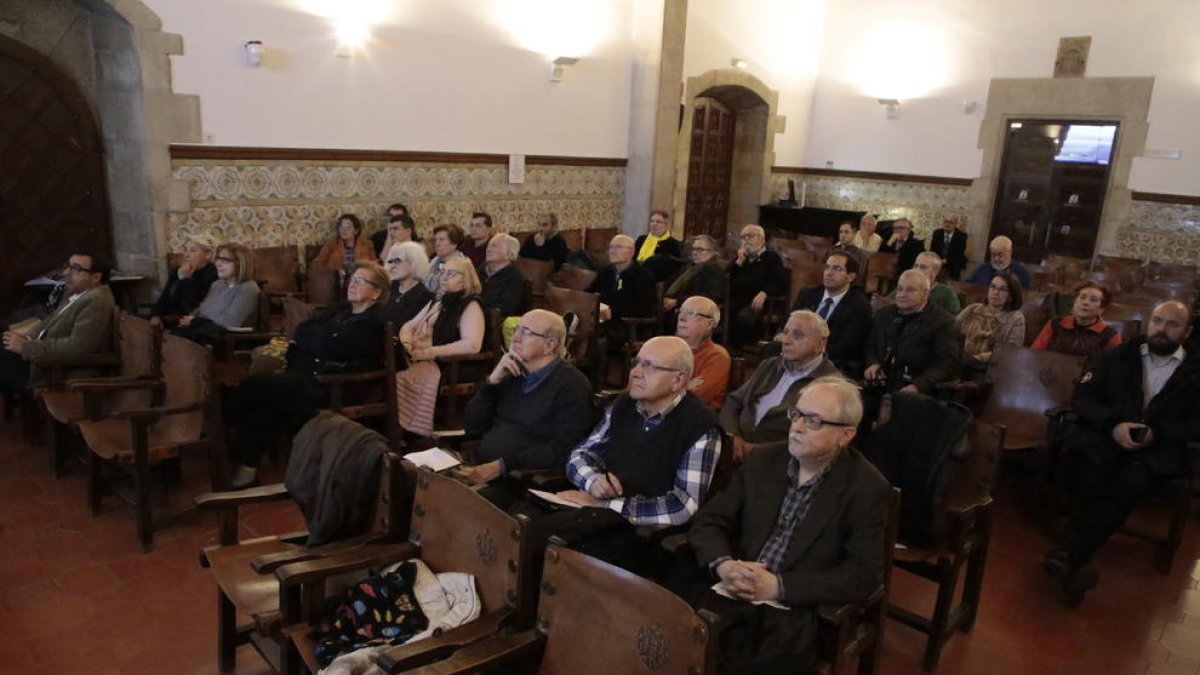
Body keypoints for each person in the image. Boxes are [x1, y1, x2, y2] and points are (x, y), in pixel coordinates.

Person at [687, 376, 892, 675]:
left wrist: (779, 586)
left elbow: (862, 576)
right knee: (674, 632)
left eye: (813, 421)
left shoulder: (866, 489)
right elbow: (710, 520)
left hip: (792, 607)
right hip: (734, 581)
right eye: (796, 414)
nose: (796, 427)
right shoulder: (764, 460)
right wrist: (724, 564)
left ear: (845, 434)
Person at [1043, 301, 1200, 604]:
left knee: (1129, 482)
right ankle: (1078, 561)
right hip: (1109, 438)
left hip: (1159, 451)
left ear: (1188, 331)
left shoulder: (1195, 371)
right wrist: (1113, 425)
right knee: (1089, 469)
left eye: (1172, 324)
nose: (1162, 329)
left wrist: (1160, 433)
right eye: (1157, 321)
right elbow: (1084, 398)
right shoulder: (1118, 356)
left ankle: (1069, 553)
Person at [225, 261, 390, 488]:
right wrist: (320, 342)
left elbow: (336, 348)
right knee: (267, 402)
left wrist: (317, 343)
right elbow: (303, 329)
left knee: (256, 385)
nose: (352, 285)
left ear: (377, 292)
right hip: (307, 377)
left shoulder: (374, 321)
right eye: (352, 280)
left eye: (361, 281)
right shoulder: (342, 308)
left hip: (333, 387)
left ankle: (226, 431)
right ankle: (247, 465)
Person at [556, 336, 722, 528]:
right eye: (637, 363)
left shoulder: (700, 425)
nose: (635, 372)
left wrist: (607, 505)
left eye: (649, 366)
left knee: (539, 540)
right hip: (596, 515)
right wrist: (592, 480)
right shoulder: (625, 404)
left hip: (643, 534)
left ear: (677, 380)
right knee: (528, 524)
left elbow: (683, 507)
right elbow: (581, 454)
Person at [461, 310, 593, 490]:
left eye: (526, 332)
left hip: (520, 482)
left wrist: (502, 466)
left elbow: (562, 450)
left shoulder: (572, 385)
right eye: (516, 329)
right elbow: (472, 426)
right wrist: (492, 382)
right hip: (479, 468)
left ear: (549, 345)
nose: (515, 338)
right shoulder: (511, 373)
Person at [721, 311, 841, 460]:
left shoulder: (830, 385)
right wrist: (732, 435)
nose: (786, 340)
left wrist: (757, 451)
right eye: (785, 333)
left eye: (797, 335)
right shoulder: (769, 365)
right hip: (734, 450)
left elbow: (815, 440)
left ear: (820, 344)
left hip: (780, 462)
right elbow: (733, 401)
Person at [1, 252, 116, 392]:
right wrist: (26, 337)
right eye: (67, 266)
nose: (66, 272)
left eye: (76, 269)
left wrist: (27, 347)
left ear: (96, 277)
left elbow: (79, 346)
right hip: (42, 360)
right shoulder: (75, 293)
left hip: (55, 369)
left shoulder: (96, 300)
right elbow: (48, 321)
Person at [864, 269, 961, 395]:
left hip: (918, 389)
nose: (902, 294)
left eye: (910, 290)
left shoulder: (943, 322)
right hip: (879, 384)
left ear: (925, 294)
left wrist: (918, 385)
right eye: (899, 289)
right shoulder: (884, 315)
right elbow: (870, 344)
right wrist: (873, 363)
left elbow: (946, 363)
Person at [790, 251, 872, 376]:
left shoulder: (860, 306)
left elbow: (848, 346)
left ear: (850, 276)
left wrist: (810, 350)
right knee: (773, 349)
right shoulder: (808, 294)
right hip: (798, 349)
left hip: (829, 359)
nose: (829, 273)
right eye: (827, 267)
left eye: (837, 269)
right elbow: (791, 322)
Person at [171, 243, 261, 346]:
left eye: (225, 260)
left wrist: (195, 321)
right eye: (218, 259)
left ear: (241, 264)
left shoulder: (248, 288)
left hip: (227, 339)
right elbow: (203, 309)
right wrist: (190, 317)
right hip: (204, 332)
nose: (218, 264)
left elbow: (231, 322)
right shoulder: (218, 284)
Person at [587, 234, 657, 352]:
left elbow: (644, 309)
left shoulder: (643, 276)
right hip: (602, 321)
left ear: (632, 252)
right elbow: (589, 294)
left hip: (627, 327)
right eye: (611, 247)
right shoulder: (606, 271)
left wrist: (612, 313)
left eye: (619, 247)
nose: (613, 251)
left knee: (599, 343)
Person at [727, 224, 787, 346]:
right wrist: (738, 262)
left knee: (743, 318)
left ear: (762, 240)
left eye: (750, 236)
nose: (746, 240)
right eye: (743, 237)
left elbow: (779, 283)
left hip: (759, 302)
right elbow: (726, 279)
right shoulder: (740, 259)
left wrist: (764, 293)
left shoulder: (771, 258)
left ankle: (744, 350)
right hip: (736, 299)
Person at [956, 270, 1026, 370]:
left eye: (1002, 289)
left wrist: (977, 358)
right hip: (959, 362)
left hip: (991, 369)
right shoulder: (972, 309)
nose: (995, 292)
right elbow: (950, 331)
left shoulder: (1016, 318)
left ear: (1011, 295)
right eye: (993, 287)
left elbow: (1009, 352)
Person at [1030, 282, 1121, 358]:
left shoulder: (1109, 335)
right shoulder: (1055, 324)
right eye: (1082, 297)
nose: (1085, 302)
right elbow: (1035, 353)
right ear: (1074, 302)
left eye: (1093, 300)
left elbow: (1116, 367)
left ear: (1101, 309)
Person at [149, 233, 218, 325]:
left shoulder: (213, 274)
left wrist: (185, 279)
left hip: (189, 321)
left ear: (208, 255)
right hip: (167, 317)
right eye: (185, 250)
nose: (186, 255)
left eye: (192, 251)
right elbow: (164, 297)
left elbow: (193, 307)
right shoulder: (179, 270)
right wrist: (156, 315)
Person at [675, 296, 730, 410]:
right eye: (680, 312)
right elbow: (639, 389)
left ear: (710, 324)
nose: (682, 317)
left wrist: (661, 390)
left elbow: (693, 400)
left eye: (691, 313)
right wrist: (684, 387)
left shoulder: (717, 357)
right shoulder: (665, 348)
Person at [662, 234, 726, 312]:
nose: (695, 253)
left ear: (711, 252)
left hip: (697, 311)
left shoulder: (714, 271)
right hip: (678, 307)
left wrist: (677, 302)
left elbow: (708, 297)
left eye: (700, 249)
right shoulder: (688, 267)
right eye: (694, 249)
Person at [380, 241, 434, 328]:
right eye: (391, 261)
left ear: (414, 262)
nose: (392, 266)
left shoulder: (424, 296)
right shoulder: (388, 287)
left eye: (397, 261)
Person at [890, 251, 960, 315]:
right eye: (915, 266)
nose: (917, 270)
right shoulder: (906, 286)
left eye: (923, 267)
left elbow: (955, 318)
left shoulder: (946, 292)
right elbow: (886, 303)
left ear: (935, 272)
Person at [313, 214, 377, 283]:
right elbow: (317, 264)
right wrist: (335, 273)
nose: (344, 229)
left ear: (356, 231)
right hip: (336, 282)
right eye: (341, 226)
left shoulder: (367, 244)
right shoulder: (331, 244)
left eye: (348, 226)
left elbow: (374, 264)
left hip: (361, 280)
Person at [477, 233, 527, 318]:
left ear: (510, 254)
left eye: (494, 246)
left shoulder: (515, 278)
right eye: (488, 246)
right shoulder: (481, 269)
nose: (488, 250)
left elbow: (504, 310)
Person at [635, 210, 684, 283]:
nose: (654, 224)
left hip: (657, 279)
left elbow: (673, 267)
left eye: (658, 222)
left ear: (666, 225)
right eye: (652, 221)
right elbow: (632, 258)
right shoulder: (641, 239)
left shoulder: (672, 243)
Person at [965, 235, 1032, 289]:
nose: (996, 259)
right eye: (993, 255)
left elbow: (1026, 295)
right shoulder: (981, 269)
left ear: (1010, 252)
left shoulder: (1021, 273)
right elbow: (967, 286)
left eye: (1000, 255)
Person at [423, 224, 467, 292]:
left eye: (441, 240)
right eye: (436, 240)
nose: (437, 244)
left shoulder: (461, 264)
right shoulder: (435, 260)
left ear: (454, 244)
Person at [930, 216, 968, 280]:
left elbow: (959, 253)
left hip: (953, 261)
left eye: (950, 222)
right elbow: (933, 249)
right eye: (945, 222)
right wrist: (938, 260)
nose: (947, 224)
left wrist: (945, 260)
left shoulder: (961, 236)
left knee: (957, 263)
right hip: (938, 260)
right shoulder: (937, 233)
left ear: (955, 224)